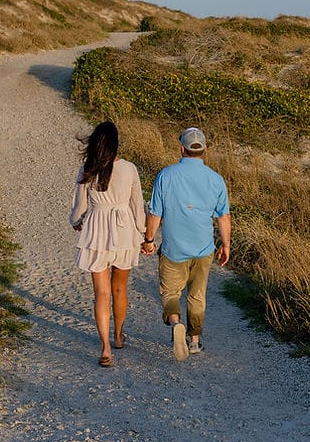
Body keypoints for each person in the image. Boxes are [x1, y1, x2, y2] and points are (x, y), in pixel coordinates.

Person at [141, 126, 230, 360]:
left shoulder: (166, 175)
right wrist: (226, 245)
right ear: (204, 149)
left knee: (170, 292)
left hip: (174, 248)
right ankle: (194, 340)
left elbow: (155, 213)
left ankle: (175, 322)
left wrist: (149, 240)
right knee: (197, 295)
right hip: (203, 248)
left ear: (182, 148)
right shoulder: (216, 179)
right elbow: (223, 216)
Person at [70, 120, 145, 367]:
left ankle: (104, 347)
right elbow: (137, 206)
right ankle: (118, 336)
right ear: (115, 144)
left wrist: (77, 221)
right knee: (119, 289)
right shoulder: (129, 169)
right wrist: (144, 234)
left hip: (97, 230)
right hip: (124, 230)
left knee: (100, 293)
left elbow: (79, 207)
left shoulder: (87, 168)